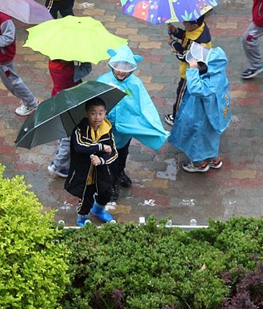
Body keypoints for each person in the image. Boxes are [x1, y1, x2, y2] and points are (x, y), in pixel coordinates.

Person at [96, 45, 170, 199]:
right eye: (118, 67)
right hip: (105, 131)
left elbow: (145, 105)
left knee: (122, 154)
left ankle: (119, 173)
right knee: (108, 159)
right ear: (111, 65)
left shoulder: (135, 84)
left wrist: (154, 127)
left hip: (125, 132)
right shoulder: (103, 81)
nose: (122, 71)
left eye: (126, 67)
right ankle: (110, 184)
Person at [170, 44, 232, 173]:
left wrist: (192, 70)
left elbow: (195, 89)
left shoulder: (210, 85)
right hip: (214, 115)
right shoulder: (219, 75)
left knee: (198, 138)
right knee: (211, 138)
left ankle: (199, 163)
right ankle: (214, 158)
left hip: (203, 116)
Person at [65, 97, 118, 226]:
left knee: (105, 193)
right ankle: (83, 217)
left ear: (105, 113)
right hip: (85, 173)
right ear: (86, 114)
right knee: (86, 197)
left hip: (101, 171)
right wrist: (99, 147)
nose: (97, 117)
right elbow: (80, 146)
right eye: (93, 113)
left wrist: (101, 160)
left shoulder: (107, 130)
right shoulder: (79, 130)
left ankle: (98, 210)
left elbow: (113, 152)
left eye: (101, 113)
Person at [46, 58, 93, 179]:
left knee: (63, 132)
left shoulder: (52, 63)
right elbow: (87, 69)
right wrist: (83, 59)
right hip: (70, 105)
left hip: (58, 100)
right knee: (68, 137)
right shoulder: (71, 71)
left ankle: (61, 155)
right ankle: (58, 165)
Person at [165, 13, 212, 125]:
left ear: (194, 25)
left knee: (181, 96)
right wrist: (176, 31)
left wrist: (173, 43)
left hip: (190, 74)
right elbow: (186, 36)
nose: (183, 23)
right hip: (195, 72)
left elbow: (184, 55)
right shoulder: (199, 30)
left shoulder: (199, 43)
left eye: (186, 22)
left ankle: (176, 118)